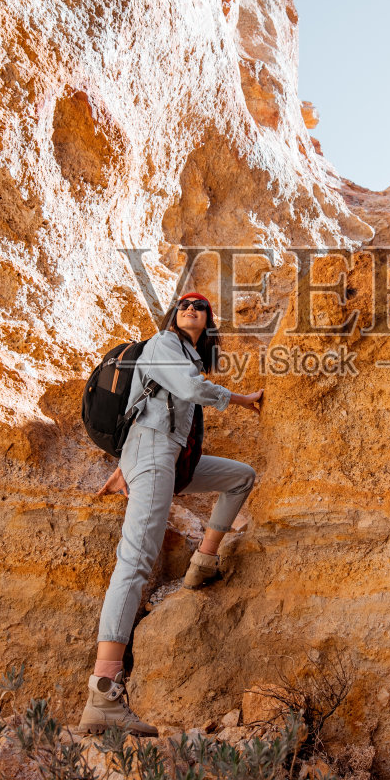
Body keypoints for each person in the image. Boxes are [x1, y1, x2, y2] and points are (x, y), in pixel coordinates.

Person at [80, 292, 264, 736]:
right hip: (154, 454)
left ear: (209, 324)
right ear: (173, 316)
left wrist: (127, 465)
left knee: (241, 476)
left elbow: (156, 406)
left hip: (167, 458)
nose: (190, 309)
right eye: (183, 305)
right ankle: (103, 696)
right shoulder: (164, 343)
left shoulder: (185, 354)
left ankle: (203, 562)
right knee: (135, 563)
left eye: (200, 307)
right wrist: (241, 399)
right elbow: (188, 391)